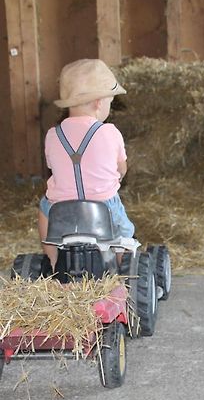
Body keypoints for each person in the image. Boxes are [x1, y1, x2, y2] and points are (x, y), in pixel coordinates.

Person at [38, 58, 134, 267]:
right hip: (104, 207)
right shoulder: (110, 132)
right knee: (125, 234)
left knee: (44, 206)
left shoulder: (53, 135)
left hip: (60, 209)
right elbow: (122, 169)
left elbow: (53, 168)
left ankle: (53, 261)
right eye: (110, 101)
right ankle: (121, 266)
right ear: (99, 102)